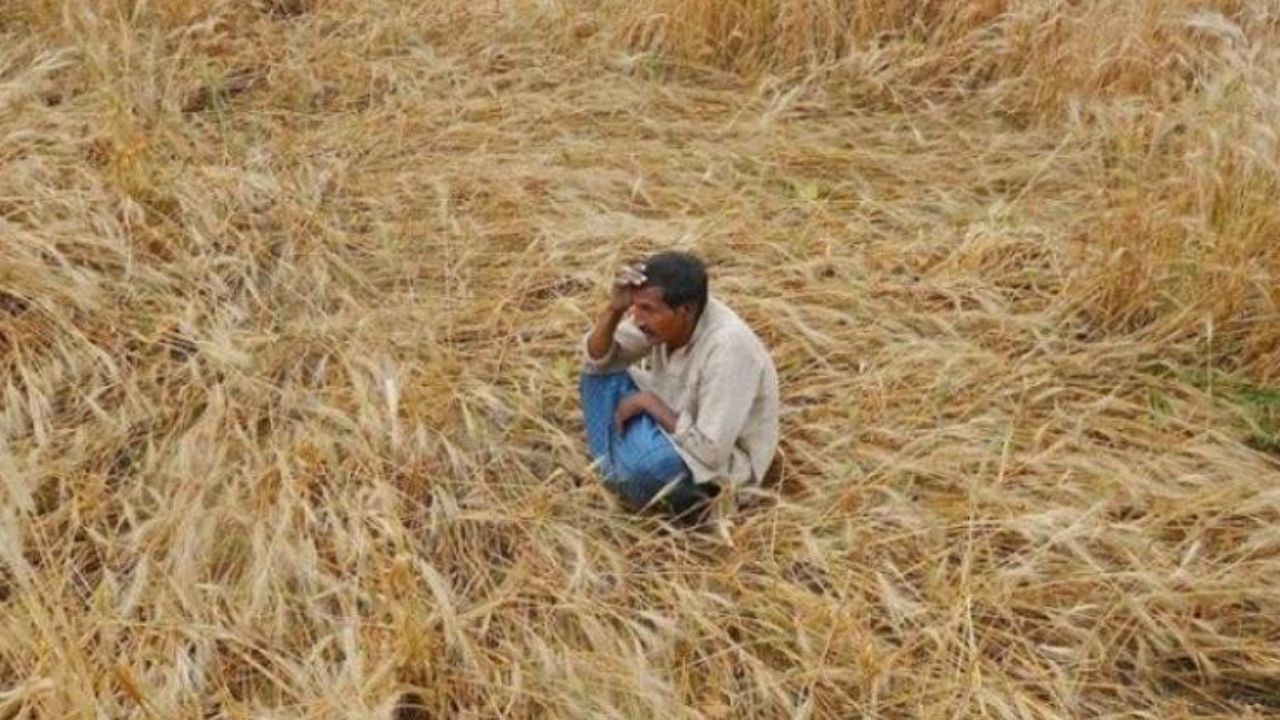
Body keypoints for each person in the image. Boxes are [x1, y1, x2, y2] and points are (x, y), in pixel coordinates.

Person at [579, 251, 780, 517]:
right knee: (596, 375)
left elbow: (711, 453)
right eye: (635, 307)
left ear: (685, 311)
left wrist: (647, 403)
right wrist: (615, 309)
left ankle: (616, 465)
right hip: (673, 421)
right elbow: (597, 359)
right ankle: (621, 469)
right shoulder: (662, 317)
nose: (637, 318)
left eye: (647, 310)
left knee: (651, 467)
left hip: (714, 471)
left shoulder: (728, 348)